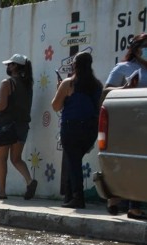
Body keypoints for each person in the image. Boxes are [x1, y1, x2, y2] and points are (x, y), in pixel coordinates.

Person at [102, 33, 147, 219]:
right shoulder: (123, 68)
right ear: (136, 50)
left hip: (143, 123)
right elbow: (106, 91)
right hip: (125, 122)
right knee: (126, 160)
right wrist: (125, 89)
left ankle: (121, 198)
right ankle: (125, 201)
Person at [51, 51, 102, 209]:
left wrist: (59, 89)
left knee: (73, 162)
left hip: (72, 127)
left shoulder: (69, 83)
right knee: (74, 160)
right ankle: (69, 196)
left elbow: (56, 106)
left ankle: (77, 198)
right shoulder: (97, 85)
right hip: (90, 129)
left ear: (75, 65)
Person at [0, 54, 37, 200]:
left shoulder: (7, 83)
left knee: (2, 159)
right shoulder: (28, 84)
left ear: (15, 66)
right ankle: (29, 180)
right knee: (16, 158)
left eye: (9, 64)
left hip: (6, 125)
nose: (7, 67)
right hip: (22, 125)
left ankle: (2, 192)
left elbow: (2, 105)